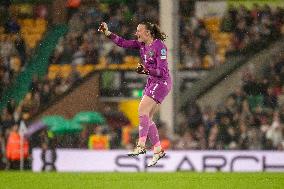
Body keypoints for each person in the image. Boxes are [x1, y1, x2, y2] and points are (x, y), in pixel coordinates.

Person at [98, 21, 172, 166]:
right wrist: (107, 33)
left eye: (139, 31)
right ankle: (158, 150)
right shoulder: (142, 45)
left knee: (141, 110)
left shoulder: (160, 47)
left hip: (161, 82)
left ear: (148, 33)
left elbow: (162, 71)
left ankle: (141, 145)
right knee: (148, 118)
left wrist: (146, 71)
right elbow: (123, 43)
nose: (136, 33)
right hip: (152, 82)